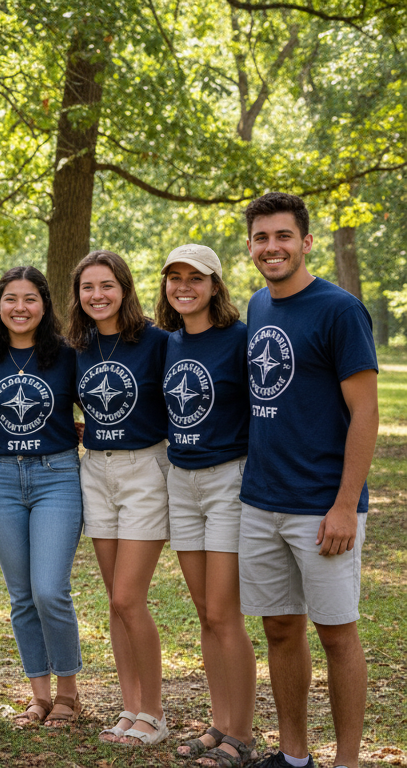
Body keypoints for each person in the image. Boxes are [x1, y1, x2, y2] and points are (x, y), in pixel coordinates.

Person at [240, 192, 377, 768]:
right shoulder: (256, 307)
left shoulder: (339, 310)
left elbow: (366, 412)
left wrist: (345, 505)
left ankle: (346, 761)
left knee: (337, 635)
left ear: (306, 242)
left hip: (322, 506)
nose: (272, 247)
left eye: (283, 236)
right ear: (251, 247)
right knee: (278, 629)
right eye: (262, 238)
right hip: (262, 499)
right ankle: (294, 757)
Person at [154, 245, 257, 767]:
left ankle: (241, 734)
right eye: (174, 277)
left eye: (196, 277)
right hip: (181, 481)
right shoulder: (167, 343)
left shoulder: (240, 339)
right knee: (203, 612)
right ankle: (220, 723)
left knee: (224, 612)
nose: (184, 286)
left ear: (216, 285)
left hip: (227, 481)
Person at [67, 250, 171, 748]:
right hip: (95, 470)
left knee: (130, 598)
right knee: (115, 602)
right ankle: (129, 707)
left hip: (144, 471)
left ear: (124, 289)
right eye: (88, 287)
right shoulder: (78, 346)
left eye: (106, 285)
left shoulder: (156, 342)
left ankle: (154, 712)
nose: (97, 295)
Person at [0, 266, 84, 730]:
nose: (20, 307)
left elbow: (102, 402)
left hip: (57, 475)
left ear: (45, 305)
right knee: (21, 596)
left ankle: (69, 693)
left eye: (30, 298)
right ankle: (38, 695)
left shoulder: (67, 355)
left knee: (49, 590)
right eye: (10, 298)